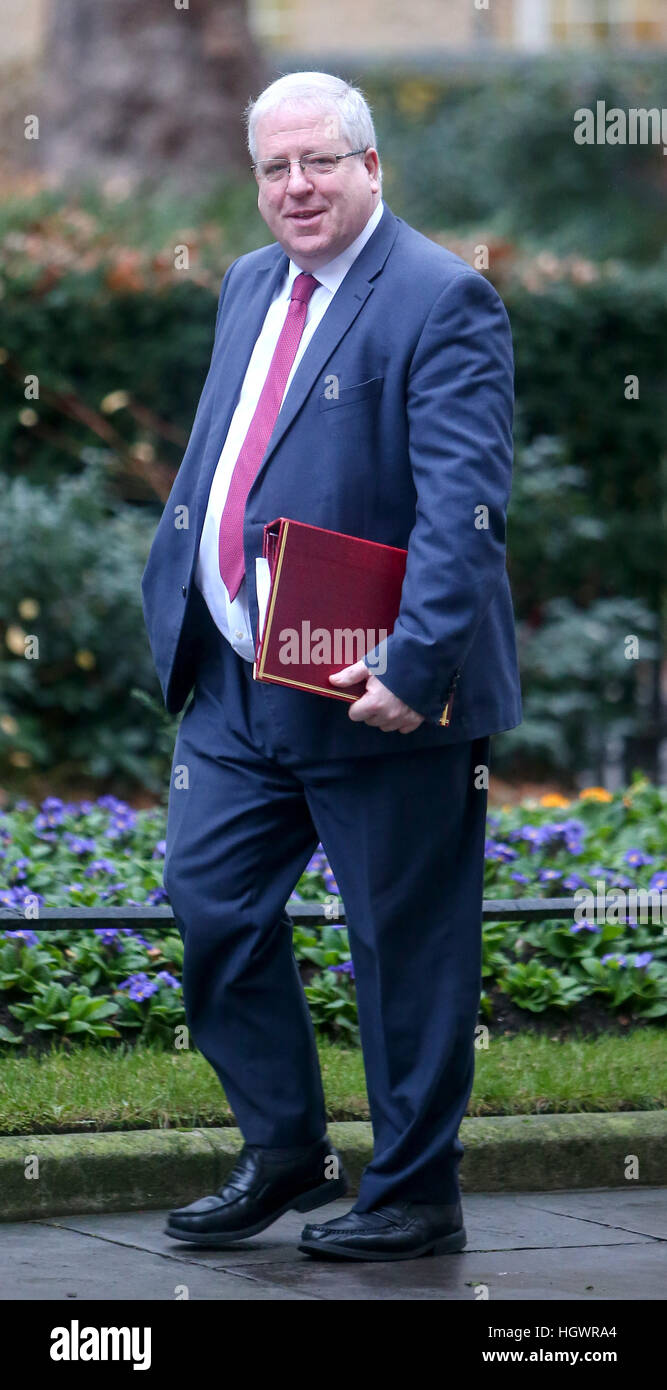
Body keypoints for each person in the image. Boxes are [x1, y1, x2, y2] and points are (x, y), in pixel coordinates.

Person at [141, 70, 522, 1262]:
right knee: (211, 906)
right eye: (274, 168)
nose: (296, 188)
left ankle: (414, 1193)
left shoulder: (443, 297)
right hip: (239, 679)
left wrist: (415, 665)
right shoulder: (251, 283)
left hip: (378, 694)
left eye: (319, 163)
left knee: (402, 947)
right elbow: (235, 451)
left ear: (371, 167)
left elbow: (466, 506)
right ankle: (286, 1150)